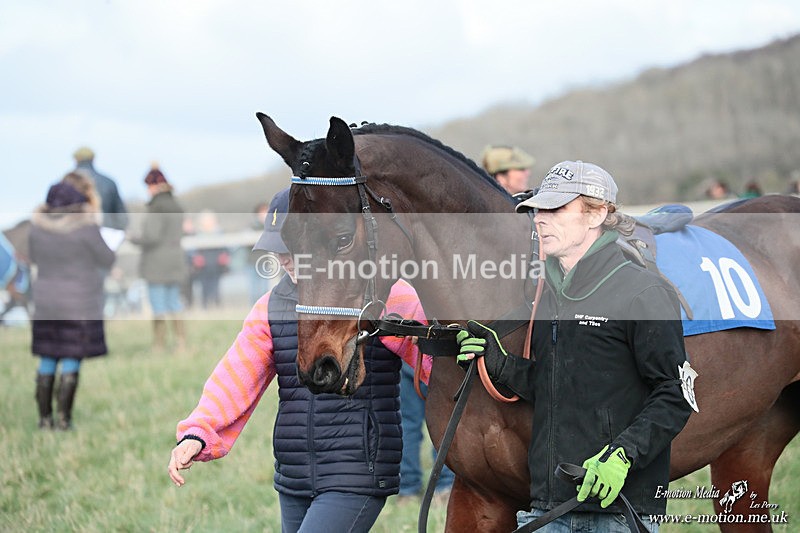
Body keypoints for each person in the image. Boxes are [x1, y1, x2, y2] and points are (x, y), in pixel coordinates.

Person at [167, 187, 432, 533]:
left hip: (356, 470)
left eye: (292, 248)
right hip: (294, 475)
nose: (284, 258)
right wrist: (197, 434)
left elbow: (437, 362)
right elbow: (234, 376)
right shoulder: (270, 307)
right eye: (276, 249)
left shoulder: (383, 293)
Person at [457, 161, 694, 532]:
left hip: (620, 512)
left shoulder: (643, 291)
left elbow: (676, 393)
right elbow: (557, 384)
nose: (540, 219)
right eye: (538, 210)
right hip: (547, 509)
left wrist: (624, 455)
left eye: (556, 209)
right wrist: (497, 362)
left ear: (597, 214)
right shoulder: (550, 294)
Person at [29, 177, 115, 429]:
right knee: (71, 356)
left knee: (47, 356)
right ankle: (64, 420)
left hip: (46, 302)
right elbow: (106, 258)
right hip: (79, 301)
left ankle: (44, 420)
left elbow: (33, 257)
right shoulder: (85, 228)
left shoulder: (37, 229)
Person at [129, 164, 187, 351]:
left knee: (158, 305)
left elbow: (151, 237)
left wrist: (133, 238)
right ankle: (180, 342)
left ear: (154, 186)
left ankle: (159, 345)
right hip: (175, 259)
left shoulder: (156, 207)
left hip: (156, 262)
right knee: (174, 302)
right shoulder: (176, 205)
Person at [398, 363, 455, 501]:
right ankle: (445, 488)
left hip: (405, 354)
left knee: (407, 425)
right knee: (445, 422)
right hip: (437, 358)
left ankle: (407, 490)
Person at [72, 146, 129, 230]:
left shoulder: (65, 183)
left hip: (74, 233)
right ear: (93, 159)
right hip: (105, 232)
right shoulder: (109, 182)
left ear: (76, 160)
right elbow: (121, 215)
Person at [248, 199, 273, 304]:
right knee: (254, 291)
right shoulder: (250, 228)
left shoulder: (273, 226)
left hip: (268, 263)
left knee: (266, 289)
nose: (264, 215)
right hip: (254, 262)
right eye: (261, 212)